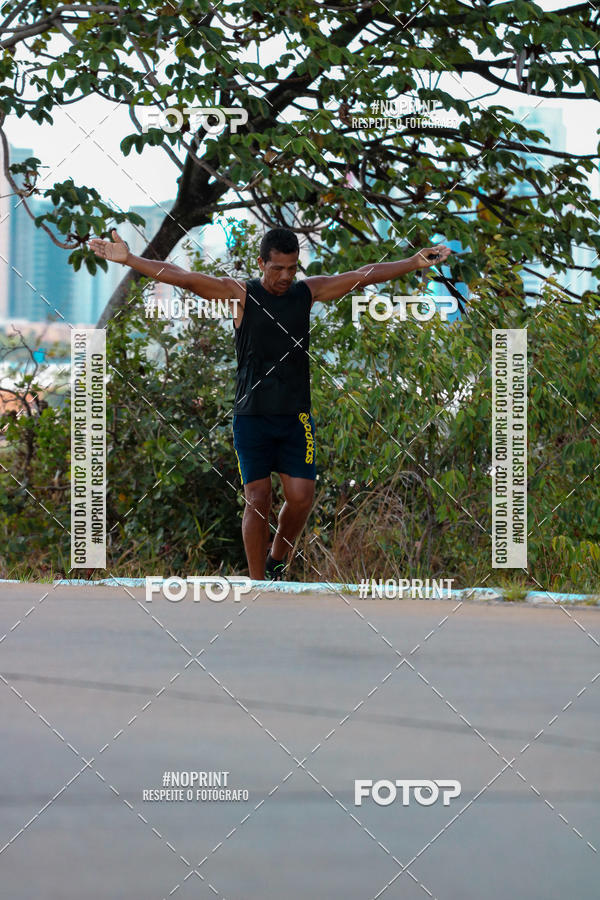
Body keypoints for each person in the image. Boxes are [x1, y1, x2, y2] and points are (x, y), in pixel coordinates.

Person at [89, 227, 451, 580]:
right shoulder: (240, 295)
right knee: (257, 498)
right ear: (261, 262)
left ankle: (278, 555)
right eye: (277, 268)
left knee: (301, 497)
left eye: (292, 268)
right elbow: (185, 278)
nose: (285, 276)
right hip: (252, 416)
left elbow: (362, 276)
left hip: (295, 417)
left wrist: (414, 261)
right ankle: (258, 583)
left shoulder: (306, 293)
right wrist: (131, 259)